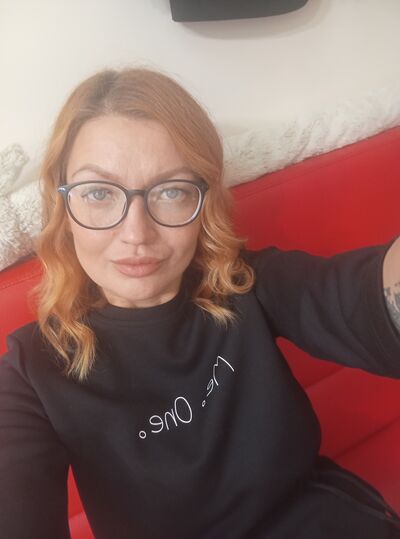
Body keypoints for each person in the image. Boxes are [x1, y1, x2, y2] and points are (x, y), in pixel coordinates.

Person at [0, 67, 400, 539]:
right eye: (99, 193)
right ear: (64, 207)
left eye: (171, 191)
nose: (136, 233)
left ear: (203, 202)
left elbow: (365, 297)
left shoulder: (246, 283)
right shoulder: (30, 372)